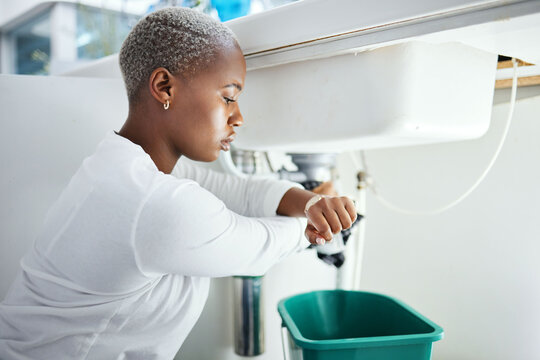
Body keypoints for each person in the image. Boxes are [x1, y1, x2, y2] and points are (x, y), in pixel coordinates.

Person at [0, 7, 357, 359]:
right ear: (164, 87)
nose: (239, 117)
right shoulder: (150, 200)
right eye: (229, 97)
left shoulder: (122, 165)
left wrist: (312, 203)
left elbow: (244, 192)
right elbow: (257, 248)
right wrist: (312, 226)